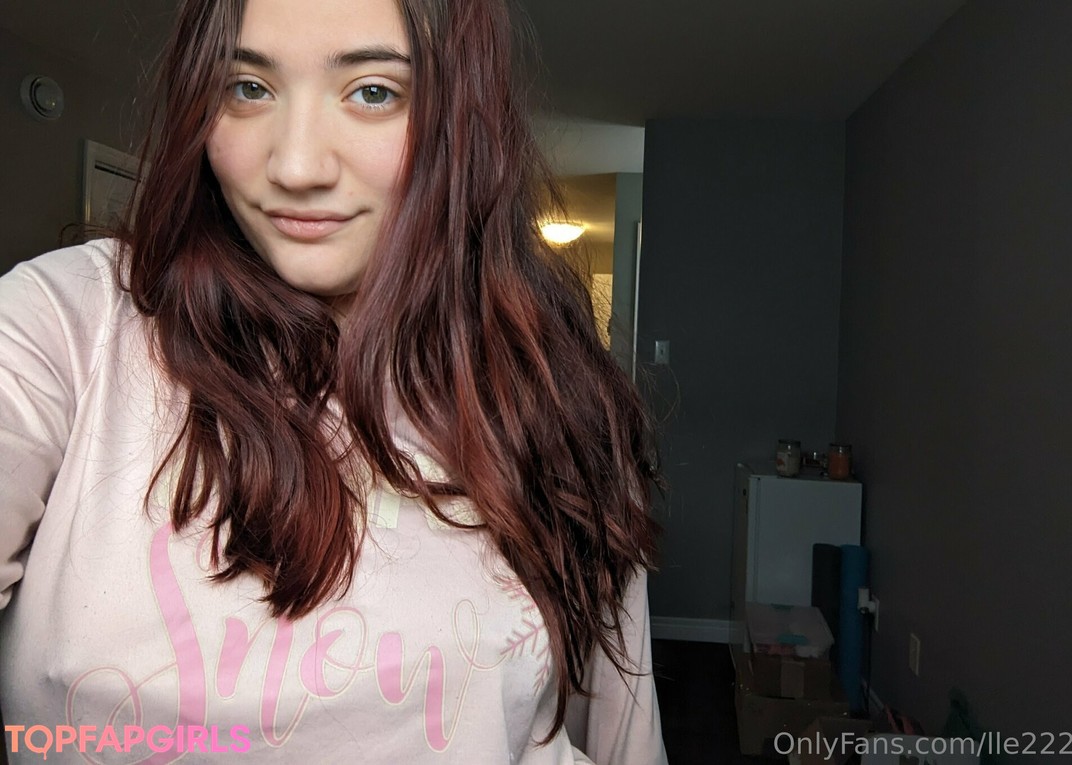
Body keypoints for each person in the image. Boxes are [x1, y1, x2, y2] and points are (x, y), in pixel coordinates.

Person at [0, 0, 667, 762]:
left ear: (461, 118)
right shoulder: (64, 327)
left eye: (373, 91)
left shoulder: (553, 394)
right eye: (248, 87)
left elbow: (620, 738)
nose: (295, 167)